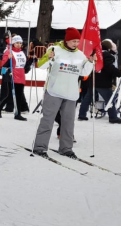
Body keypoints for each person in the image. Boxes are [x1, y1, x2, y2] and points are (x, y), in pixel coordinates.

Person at [32, 28, 95, 158]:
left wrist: (90, 62)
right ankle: (40, 147)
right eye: (73, 41)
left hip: (71, 94)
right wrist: (48, 58)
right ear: (67, 40)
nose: (76, 44)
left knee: (68, 123)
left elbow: (83, 73)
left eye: (77, 41)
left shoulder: (80, 55)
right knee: (47, 120)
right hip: (54, 91)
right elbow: (41, 65)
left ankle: (66, 148)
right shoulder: (55, 50)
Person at [78, 39, 121, 123]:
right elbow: (109, 68)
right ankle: (113, 117)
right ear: (109, 48)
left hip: (93, 79)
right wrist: (119, 73)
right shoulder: (107, 55)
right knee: (109, 99)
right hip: (104, 82)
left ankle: (82, 114)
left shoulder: (94, 54)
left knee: (87, 98)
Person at [0, 35, 32, 121]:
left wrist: (31, 61)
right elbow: (4, 65)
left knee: (19, 95)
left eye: (20, 43)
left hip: (21, 75)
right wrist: (9, 59)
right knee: (10, 96)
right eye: (17, 43)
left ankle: (18, 114)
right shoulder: (8, 52)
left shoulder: (22, 52)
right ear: (13, 43)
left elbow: (25, 65)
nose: (19, 44)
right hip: (12, 75)